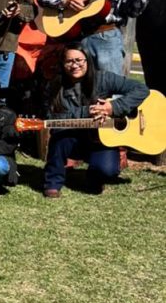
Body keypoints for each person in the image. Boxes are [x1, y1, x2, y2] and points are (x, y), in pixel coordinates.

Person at [42, 44, 149, 198]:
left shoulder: (104, 78)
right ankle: (53, 182)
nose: (75, 65)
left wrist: (113, 107)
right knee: (60, 136)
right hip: (72, 138)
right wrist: (87, 111)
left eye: (79, 60)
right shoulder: (54, 86)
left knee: (108, 170)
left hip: (101, 140)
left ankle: (94, 176)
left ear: (88, 61)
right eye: (69, 61)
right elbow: (51, 118)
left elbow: (141, 89)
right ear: (62, 64)